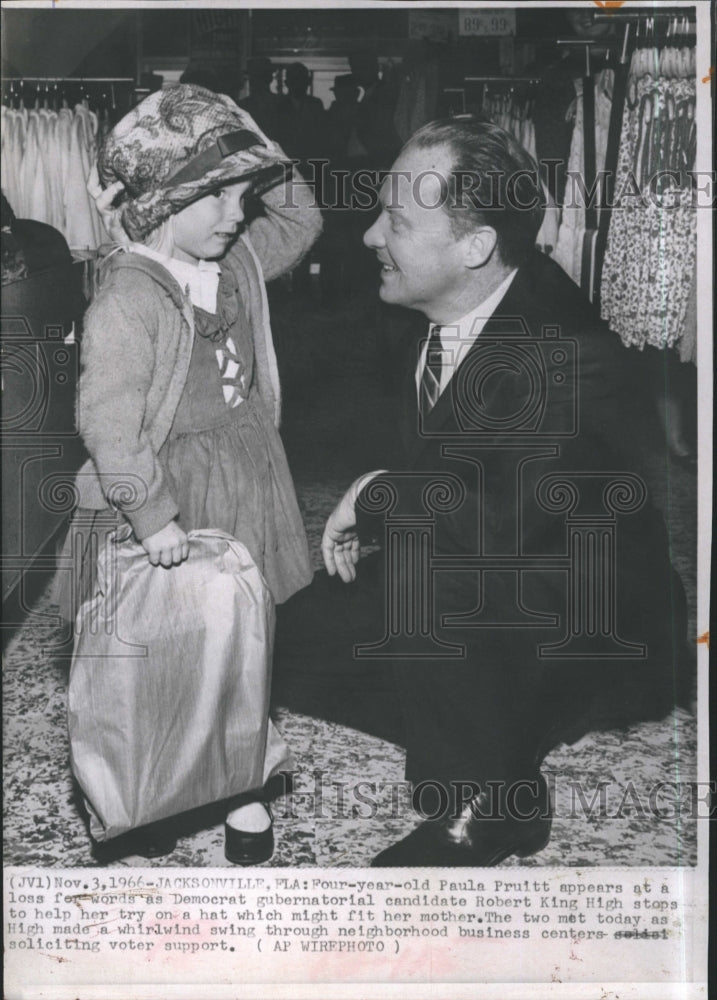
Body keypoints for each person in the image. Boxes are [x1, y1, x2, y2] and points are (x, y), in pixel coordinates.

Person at [273, 116, 688, 866]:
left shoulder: (563, 352)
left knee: (427, 569)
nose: (369, 235)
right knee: (284, 644)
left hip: (584, 614)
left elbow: (495, 521)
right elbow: (317, 358)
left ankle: (492, 803)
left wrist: (374, 494)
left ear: (474, 247)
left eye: (396, 221)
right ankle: (487, 713)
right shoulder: (428, 301)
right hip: (481, 568)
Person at [57, 83, 322, 863]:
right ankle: (146, 783)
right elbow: (106, 424)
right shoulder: (126, 297)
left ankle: (240, 783)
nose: (237, 213)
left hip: (244, 475)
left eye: (242, 195)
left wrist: (252, 145)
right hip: (168, 489)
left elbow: (302, 221)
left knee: (244, 640)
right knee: (156, 649)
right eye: (216, 197)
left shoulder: (232, 258)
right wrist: (150, 516)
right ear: (162, 202)